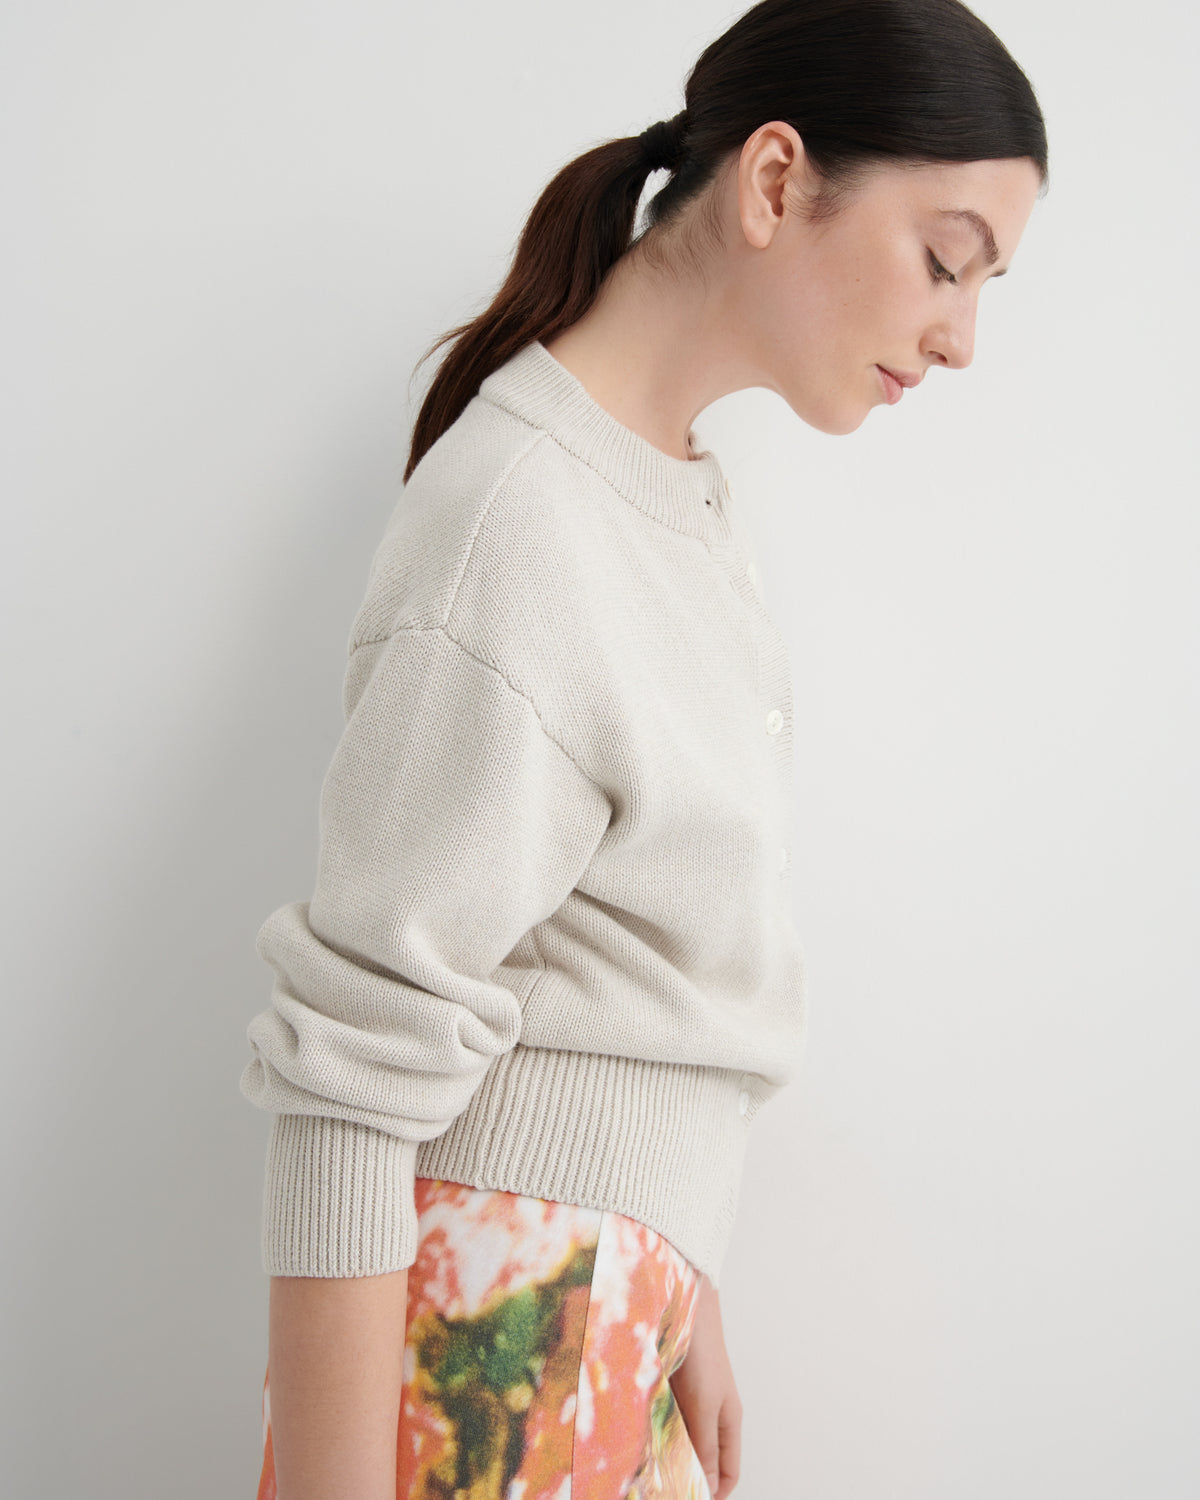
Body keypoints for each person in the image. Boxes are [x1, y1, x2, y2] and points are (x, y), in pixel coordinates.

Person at [239, 0, 1048, 1495]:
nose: (962, 337)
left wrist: (675, 1265)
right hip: (498, 1333)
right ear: (774, 180)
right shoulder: (519, 524)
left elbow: (611, 963)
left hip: (592, 1313)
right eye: (947, 262)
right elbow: (349, 1084)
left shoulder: (665, 496)